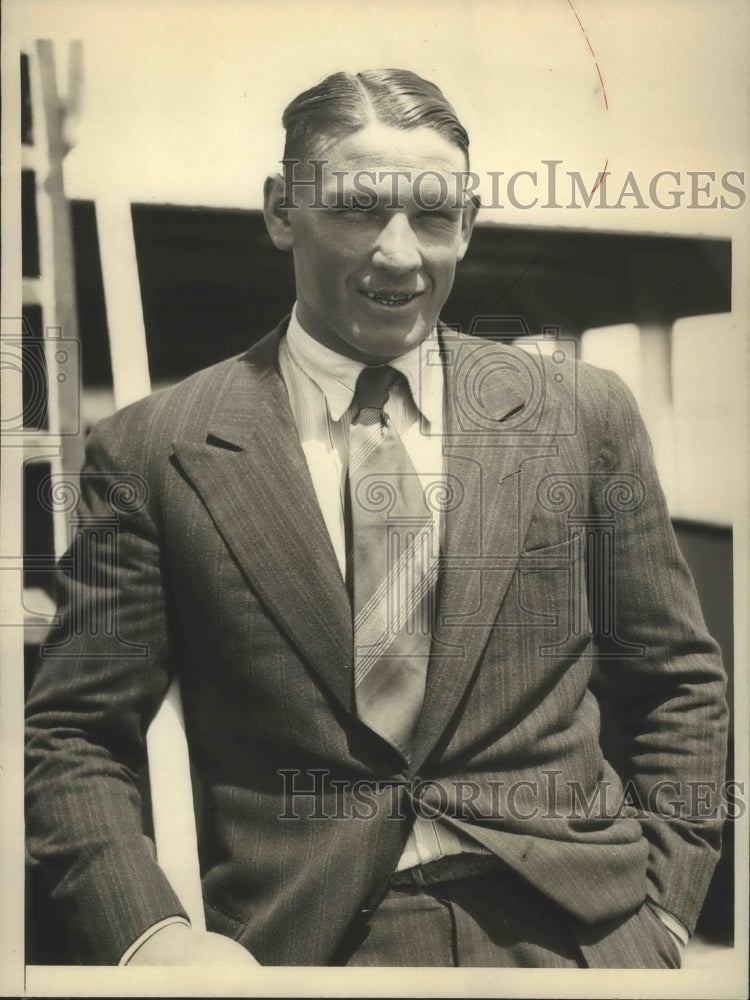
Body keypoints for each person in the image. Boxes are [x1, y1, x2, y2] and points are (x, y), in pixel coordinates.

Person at [25, 68, 728, 969]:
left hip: (583, 941)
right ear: (283, 209)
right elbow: (73, 737)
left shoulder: (580, 414)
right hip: (312, 952)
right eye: (359, 208)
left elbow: (677, 681)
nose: (400, 253)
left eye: (434, 216)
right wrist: (151, 938)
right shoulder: (152, 451)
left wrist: (663, 917)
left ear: (468, 224)